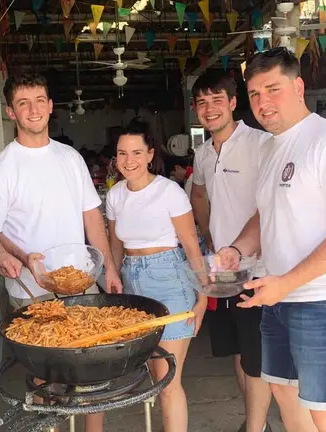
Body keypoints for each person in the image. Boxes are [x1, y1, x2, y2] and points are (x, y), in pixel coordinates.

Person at [216, 47, 326, 432]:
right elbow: (264, 213)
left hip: (325, 299)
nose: (263, 102)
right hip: (278, 295)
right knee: (285, 394)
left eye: (273, 89)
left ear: (299, 86)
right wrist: (238, 249)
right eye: (254, 94)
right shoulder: (271, 147)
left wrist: (287, 283)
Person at [0, 72, 122, 431]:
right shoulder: (3, 168)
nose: (33, 110)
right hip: (34, 292)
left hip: (82, 283)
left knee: (93, 378)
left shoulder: (70, 158)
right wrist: (19, 257)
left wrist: (109, 266)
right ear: (10, 111)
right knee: (47, 384)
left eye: (39, 101)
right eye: (22, 103)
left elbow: (92, 217)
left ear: (50, 107)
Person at [188, 70, 280, 432]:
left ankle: (255, 429)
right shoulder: (202, 153)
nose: (209, 109)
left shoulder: (260, 143)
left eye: (216, 100)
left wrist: (240, 247)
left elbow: (268, 207)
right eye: (202, 102)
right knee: (240, 354)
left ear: (232, 102)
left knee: (257, 359)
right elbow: (198, 193)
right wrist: (210, 236)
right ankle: (253, 423)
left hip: (258, 267)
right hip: (224, 270)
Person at [105, 117, 206, 431]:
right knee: (152, 372)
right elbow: (115, 244)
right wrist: (114, 280)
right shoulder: (115, 195)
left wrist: (203, 296)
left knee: (167, 379)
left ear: (150, 154)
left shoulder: (169, 192)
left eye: (136, 153)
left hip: (169, 279)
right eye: (122, 153)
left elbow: (191, 245)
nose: (129, 160)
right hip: (132, 285)